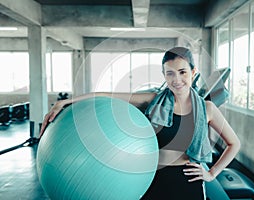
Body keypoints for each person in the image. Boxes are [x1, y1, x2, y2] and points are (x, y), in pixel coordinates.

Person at [40, 47, 240, 200]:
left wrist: (212, 173)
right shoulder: (153, 100)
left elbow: (234, 144)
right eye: (169, 73)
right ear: (164, 75)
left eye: (182, 72)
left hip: (187, 180)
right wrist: (66, 102)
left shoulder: (207, 109)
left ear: (193, 72)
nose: (176, 79)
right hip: (150, 179)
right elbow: (106, 95)